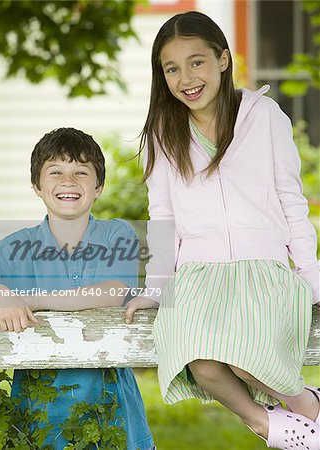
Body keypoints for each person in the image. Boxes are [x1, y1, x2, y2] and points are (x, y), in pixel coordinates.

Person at [124, 11, 320, 450]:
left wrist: (310, 274)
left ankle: (308, 408)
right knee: (203, 363)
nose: (186, 78)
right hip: (199, 272)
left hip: (262, 267)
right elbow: (163, 216)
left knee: (251, 355)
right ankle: (275, 428)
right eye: (171, 68)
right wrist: (157, 287)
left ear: (223, 60)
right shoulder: (163, 132)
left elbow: (291, 200)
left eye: (197, 62)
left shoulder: (265, 116)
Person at [0, 127, 155, 450]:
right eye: (55, 171)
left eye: (81, 172)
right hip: (38, 417)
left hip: (112, 413)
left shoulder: (116, 235)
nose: (68, 181)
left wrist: (32, 301)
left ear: (98, 186)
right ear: (37, 185)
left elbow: (113, 291)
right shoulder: (11, 249)